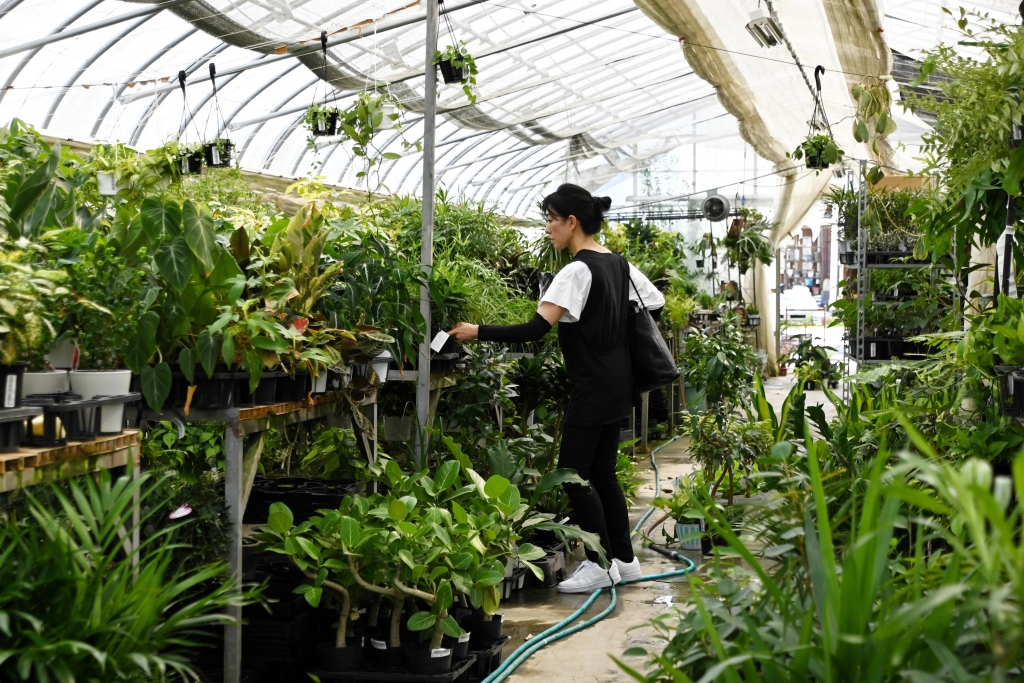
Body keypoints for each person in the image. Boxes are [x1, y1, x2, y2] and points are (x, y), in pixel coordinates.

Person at [448, 184, 664, 593]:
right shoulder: (618, 264)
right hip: (619, 383)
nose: (547, 228)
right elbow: (654, 304)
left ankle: (600, 565)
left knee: (572, 474)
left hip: (592, 386)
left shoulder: (577, 269)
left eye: (550, 219)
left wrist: (478, 331)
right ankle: (625, 560)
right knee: (602, 473)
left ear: (571, 221)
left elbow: (535, 328)